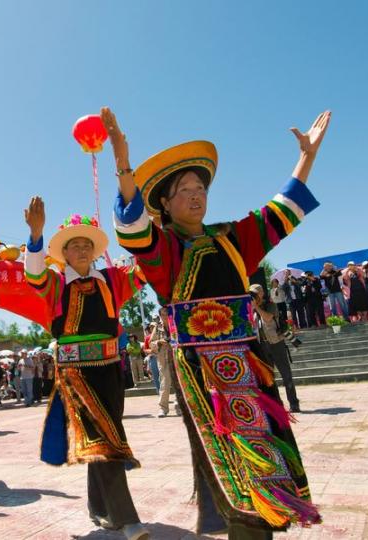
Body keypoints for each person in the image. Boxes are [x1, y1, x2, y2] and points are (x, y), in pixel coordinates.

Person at [106, 106, 325, 537]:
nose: (196, 194)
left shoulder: (231, 238)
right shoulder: (164, 250)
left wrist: (307, 157)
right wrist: (122, 165)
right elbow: (132, 230)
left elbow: (282, 211)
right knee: (233, 468)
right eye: (184, 189)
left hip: (251, 364)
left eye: (199, 187)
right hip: (202, 375)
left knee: (269, 462)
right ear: (165, 204)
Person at [25, 197, 149, 540]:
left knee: (103, 439)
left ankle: (100, 509)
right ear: (63, 254)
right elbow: (33, 273)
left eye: (86, 245)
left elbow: (146, 268)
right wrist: (36, 235)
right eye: (74, 245)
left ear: (94, 251)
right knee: (107, 439)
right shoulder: (54, 284)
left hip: (111, 370)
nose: (81, 250)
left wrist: (149, 227)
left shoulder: (111, 279)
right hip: (76, 374)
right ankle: (127, 519)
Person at [251, 285, 300, 412]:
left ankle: (294, 403)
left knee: (286, 374)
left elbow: (268, 318)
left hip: (276, 343)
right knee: (268, 378)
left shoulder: (270, 305)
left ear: (262, 293)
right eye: (251, 294)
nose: (254, 297)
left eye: (255, 293)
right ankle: (276, 405)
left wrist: (256, 307)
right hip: (262, 346)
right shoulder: (250, 309)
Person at [151, 309, 174, 418]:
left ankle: (182, 405)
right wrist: (159, 342)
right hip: (163, 358)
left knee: (182, 381)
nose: (165, 316)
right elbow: (150, 343)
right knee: (165, 382)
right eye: (163, 314)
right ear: (160, 315)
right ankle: (163, 408)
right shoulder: (157, 327)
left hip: (177, 356)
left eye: (167, 314)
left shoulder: (175, 323)